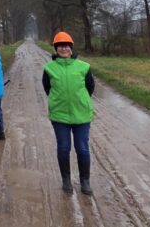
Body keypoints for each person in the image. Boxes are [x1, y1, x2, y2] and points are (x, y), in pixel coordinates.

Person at [42, 31, 96, 195]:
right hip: (60, 116)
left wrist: (80, 101)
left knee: (82, 149)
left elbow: (90, 88)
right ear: (56, 49)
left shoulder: (84, 67)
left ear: (71, 48)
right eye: (60, 46)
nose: (63, 49)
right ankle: (66, 179)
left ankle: (85, 181)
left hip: (81, 115)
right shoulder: (49, 68)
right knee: (64, 148)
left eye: (66, 46)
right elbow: (47, 88)